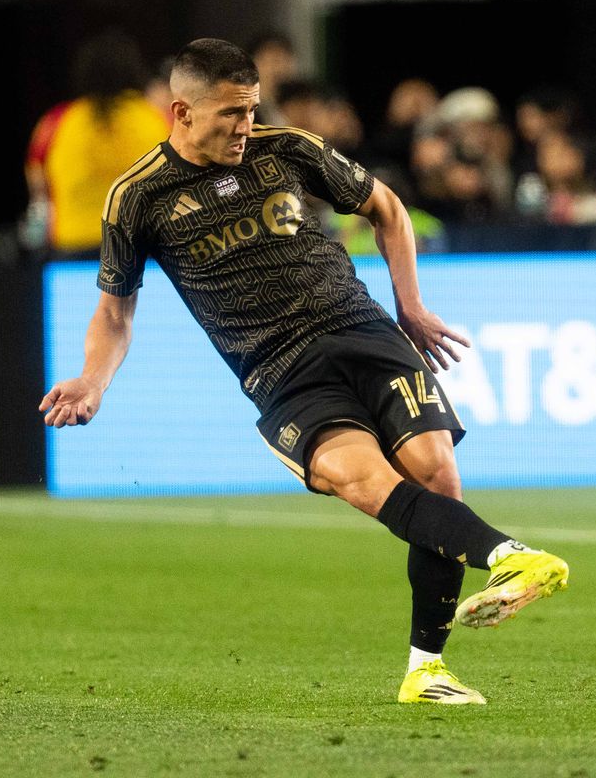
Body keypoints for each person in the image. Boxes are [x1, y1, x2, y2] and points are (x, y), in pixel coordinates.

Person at [38, 39, 569, 705]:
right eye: (230, 113)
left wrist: (411, 307)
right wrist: (93, 380)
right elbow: (115, 314)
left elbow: (387, 208)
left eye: (252, 109)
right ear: (182, 111)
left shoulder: (285, 149)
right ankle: (511, 557)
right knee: (365, 482)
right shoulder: (138, 197)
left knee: (436, 474)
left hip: (361, 329)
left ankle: (426, 670)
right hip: (281, 372)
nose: (245, 126)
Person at [24, 31, 170, 258]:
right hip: (140, 251)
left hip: (72, 250)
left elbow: (37, 187)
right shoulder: (157, 120)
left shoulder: (57, 121)